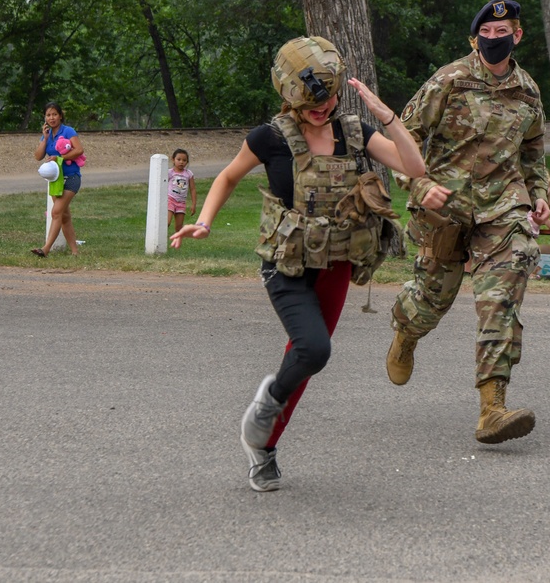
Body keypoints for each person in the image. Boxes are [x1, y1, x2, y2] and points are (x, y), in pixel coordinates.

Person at [170, 36, 425, 491]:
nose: (322, 109)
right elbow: (228, 176)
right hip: (285, 264)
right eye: (312, 103)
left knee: (304, 357)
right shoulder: (269, 137)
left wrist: (385, 116)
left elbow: (415, 166)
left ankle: (261, 446)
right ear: (288, 95)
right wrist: (204, 221)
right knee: (314, 349)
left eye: (328, 100)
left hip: (337, 263)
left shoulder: (354, 132)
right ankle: (263, 419)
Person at [386, 0, 550, 445]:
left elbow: (533, 155)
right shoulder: (450, 80)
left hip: (503, 209)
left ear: (517, 36)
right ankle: (405, 331)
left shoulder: (529, 91)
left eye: (504, 33)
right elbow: (402, 137)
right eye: (487, 34)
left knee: (502, 297)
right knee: (431, 300)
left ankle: (492, 408)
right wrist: (418, 187)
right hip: (445, 208)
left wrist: (539, 195)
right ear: (474, 39)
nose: (494, 40)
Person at [32, 102, 84, 257]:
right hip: (56, 179)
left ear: (60, 116)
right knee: (64, 216)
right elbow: (38, 156)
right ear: (45, 118)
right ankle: (75, 252)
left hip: (71, 178)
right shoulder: (47, 135)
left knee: (56, 212)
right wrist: (45, 138)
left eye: (54, 114)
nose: (52, 118)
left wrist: (59, 157)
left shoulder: (68, 131)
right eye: (48, 115)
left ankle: (46, 249)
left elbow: (79, 150)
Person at [167, 148, 196, 233]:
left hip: (181, 202)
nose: (181, 162)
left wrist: (194, 204)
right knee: (166, 222)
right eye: (178, 159)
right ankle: (160, 239)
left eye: (184, 160)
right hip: (170, 200)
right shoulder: (170, 172)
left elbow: (193, 189)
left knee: (179, 227)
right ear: (173, 159)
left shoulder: (188, 174)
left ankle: (176, 242)